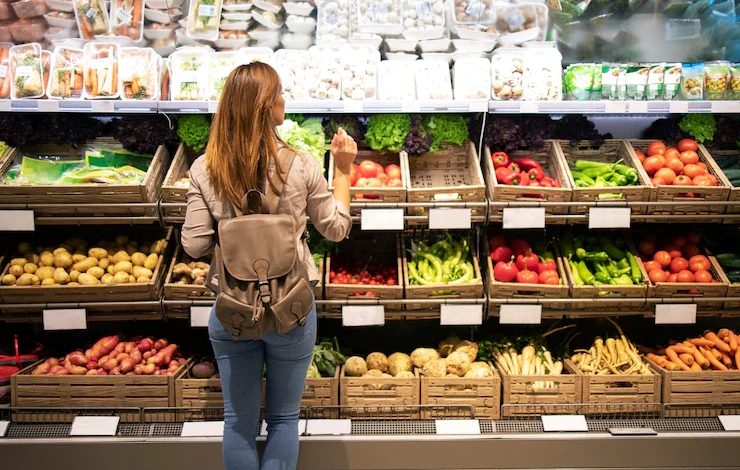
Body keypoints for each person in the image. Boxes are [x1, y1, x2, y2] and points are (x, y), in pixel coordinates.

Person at [181, 62, 356, 470]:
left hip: (232, 311)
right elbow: (335, 228)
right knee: (282, 419)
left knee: (238, 422)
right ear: (265, 107)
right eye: (278, 93)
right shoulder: (302, 164)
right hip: (291, 310)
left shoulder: (205, 169)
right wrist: (344, 170)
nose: (284, 100)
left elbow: (194, 245)